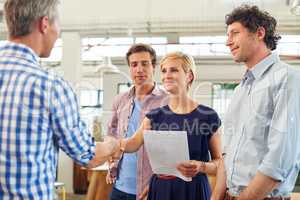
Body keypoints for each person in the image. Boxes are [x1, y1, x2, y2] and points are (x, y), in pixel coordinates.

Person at [0, 0, 118, 198]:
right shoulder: (50, 87)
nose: (58, 32)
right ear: (44, 24)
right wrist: (113, 144)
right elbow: (88, 156)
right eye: (58, 24)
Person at [121, 52, 224, 200]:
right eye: (164, 71)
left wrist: (201, 166)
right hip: (161, 188)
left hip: (193, 190)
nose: (167, 75)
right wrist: (113, 145)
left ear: (189, 76)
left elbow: (219, 163)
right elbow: (132, 144)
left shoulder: (208, 116)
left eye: (174, 70)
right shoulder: (154, 116)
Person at [223, 4, 300, 200]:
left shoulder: (287, 79)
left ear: (259, 33)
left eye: (234, 33)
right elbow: (228, 152)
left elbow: (278, 161)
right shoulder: (242, 88)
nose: (227, 42)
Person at [106, 43, 168, 200]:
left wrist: (158, 184)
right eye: (134, 64)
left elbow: (170, 149)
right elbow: (111, 135)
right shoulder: (120, 100)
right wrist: (112, 161)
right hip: (119, 185)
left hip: (150, 188)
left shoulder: (168, 101)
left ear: (153, 66)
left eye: (145, 64)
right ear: (130, 68)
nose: (139, 69)